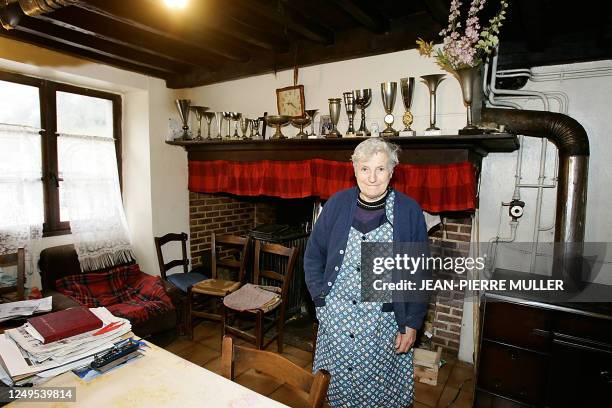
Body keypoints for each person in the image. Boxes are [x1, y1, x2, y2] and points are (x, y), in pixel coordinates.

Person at [305, 137, 429, 407]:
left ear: (392, 171)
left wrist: (411, 323)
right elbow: (313, 255)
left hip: (382, 324)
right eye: (365, 169)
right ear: (355, 169)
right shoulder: (337, 204)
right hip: (336, 318)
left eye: (380, 169)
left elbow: (418, 274)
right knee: (335, 391)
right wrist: (319, 300)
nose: (372, 177)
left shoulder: (409, 211)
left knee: (379, 394)